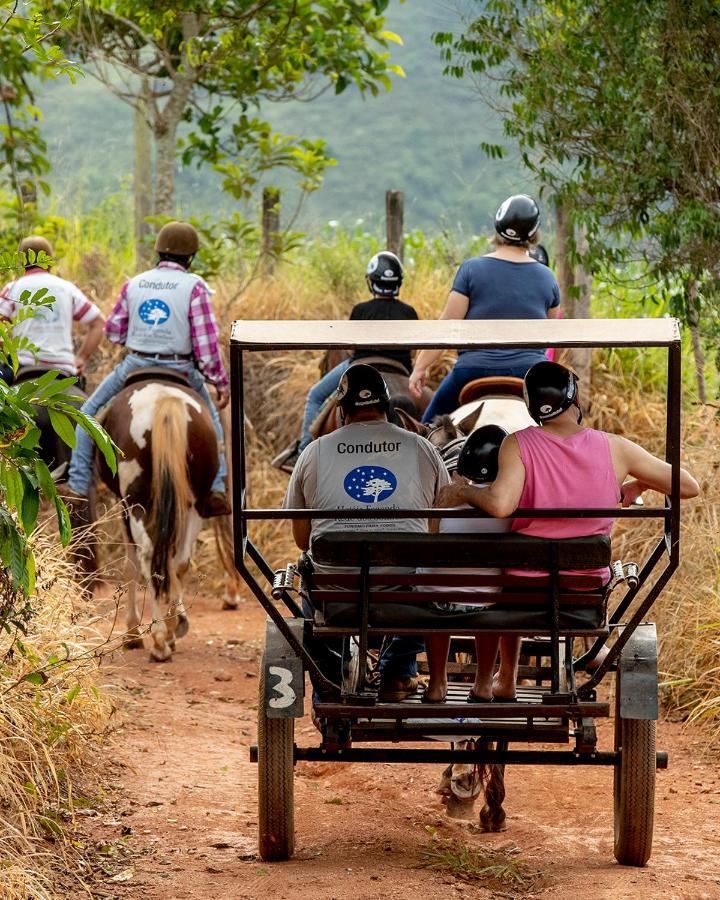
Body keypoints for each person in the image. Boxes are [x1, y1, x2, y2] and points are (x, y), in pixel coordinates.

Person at [434, 360, 700, 700]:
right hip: (583, 590)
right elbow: (688, 486)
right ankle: (510, 677)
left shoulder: (518, 444)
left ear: (533, 407)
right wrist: (636, 483)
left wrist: (464, 491)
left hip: (521, 592)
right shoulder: (615, 447)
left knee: (509, 571)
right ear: (573, 399)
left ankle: (505, 679)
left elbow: (500, 505)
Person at [283, 363, 450, 701]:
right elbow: (439, 527)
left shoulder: (314, 452)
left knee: (307, 570)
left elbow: (302, 540)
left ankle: (329, 684)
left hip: (337, 598)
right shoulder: (422, 448)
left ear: (342, 411)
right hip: (405, 599)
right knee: (429, 574)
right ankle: (397, 671)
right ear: (387, 406)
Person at [66, 222, 230, 517]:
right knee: (215, 425)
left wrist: (141, 335)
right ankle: (216, 488)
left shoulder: (135, 283)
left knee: (85, 417)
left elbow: (114, 331)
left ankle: (77, 485)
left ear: (158, 251)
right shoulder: (195, 287)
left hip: (137, 362)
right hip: (181, 366)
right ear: (190, 256)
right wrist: (220, 380)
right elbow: (206, 347)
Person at [409, 195, 561, 423]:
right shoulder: (547, 277)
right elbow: (547, 334)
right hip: (530, 373)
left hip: (472, 370)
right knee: (565, 429)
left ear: (498, 227)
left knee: (428, 429)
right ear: (534, 233)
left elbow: (447, 327)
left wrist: (420, 368)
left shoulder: (471, 270)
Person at [272, 250, 418, 472]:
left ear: (372, 282)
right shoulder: (409, 312)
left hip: (360, 365)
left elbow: (351, 347)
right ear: (398, 282)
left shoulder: (360, 310)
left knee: (315, 395)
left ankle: (302, 453)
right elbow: (413, 351)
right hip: (400, 371)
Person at [421, 425, 516, 703]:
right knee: (491, 598)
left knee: (434, 591)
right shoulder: (512, 510)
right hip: (488, 605)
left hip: (437, 602)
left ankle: (437, 683)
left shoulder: (447, 502)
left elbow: (428, 543)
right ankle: (484, 683)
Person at [0, 236, 105, 378]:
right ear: (50, 260)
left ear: (21, 261)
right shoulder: (67, 289)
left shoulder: (12, 289)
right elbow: (98, 323)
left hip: (22, 365)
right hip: (63, 368)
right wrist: (82, 357)